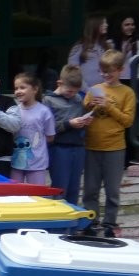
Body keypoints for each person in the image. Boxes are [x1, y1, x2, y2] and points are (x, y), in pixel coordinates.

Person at [83, 50, 136, 237]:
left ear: (121, 70)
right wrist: (91, 106)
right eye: (103, 71)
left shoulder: (127, 92)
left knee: (112, 190)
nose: (106, 75)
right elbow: (85, 110)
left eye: (110, 71)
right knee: (90, 189)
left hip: (115, 147)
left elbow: (128, 121)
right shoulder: (94, 88)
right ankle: (90, 222)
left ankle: (110, 224)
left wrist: (109, 106)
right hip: (92, 145)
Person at [44, 65, 89, 205]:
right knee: (60, 187)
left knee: (74, 187)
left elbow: (81, 118)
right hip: (59, 147)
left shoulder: (78, 99)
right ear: (59, 83)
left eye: (76, 91)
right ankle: (60, 216)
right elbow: (47, 127)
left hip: (78, 146)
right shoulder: (48, 100)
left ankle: (73, 216)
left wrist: (85, 121)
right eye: (70, 91)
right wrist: (69, 124)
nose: (72, 94)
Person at [7, 73, 54, 185]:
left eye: (22, 87)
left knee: (37, 193)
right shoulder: (13, 111)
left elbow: (50, 137)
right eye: (16, 88)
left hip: (37, 163)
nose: (18, 91)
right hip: (15, 161)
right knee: (14, 192)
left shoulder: (44, 111)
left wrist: (35, 145)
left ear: (35, 89)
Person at [67, 16, 112, 90]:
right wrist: (87, 90)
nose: (106, 25)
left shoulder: (107, 46)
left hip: (105, 91)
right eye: (103, 23)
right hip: (84, 91)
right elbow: (72, 72)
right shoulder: (79, 48)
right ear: (95, 25)